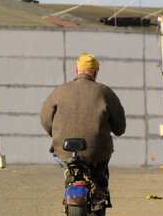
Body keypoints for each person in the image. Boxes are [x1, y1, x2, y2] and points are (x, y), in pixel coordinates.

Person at [40, 52, 126, 195]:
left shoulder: (59, 91)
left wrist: (55, 134)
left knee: (67, 164)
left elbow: (45, 118)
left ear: (77, 71)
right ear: (95, 72)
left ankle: (70, 179)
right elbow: (120, 126)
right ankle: (100, 184)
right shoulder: (104, 92)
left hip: (64, 148)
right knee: (101, 165)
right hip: (96, 150)